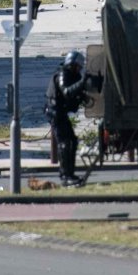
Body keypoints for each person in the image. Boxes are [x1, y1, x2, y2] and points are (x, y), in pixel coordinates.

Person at [45, 50, 88, 185]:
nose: (79, 70)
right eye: (77, 67)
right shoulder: (62, 74)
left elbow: (76, 92)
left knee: (73, 141)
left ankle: (70, 173)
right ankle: (65, 176)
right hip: (55, 112)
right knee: (64, 143)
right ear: (72, 64)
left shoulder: (73, 75)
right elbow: (67, 91)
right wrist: (83, 82)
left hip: (61, 113)